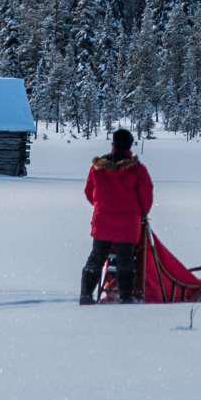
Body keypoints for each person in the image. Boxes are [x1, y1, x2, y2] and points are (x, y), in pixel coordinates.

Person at [81, 128, 154, 304]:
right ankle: (125, 296)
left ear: (113, 144)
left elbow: (89, 192)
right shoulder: (137, 170)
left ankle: (85, 295)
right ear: (130, 145)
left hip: (103, 222)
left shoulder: (98, 168)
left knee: (96, 258)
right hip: (128, 225)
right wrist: (141, 213)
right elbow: (146, 196)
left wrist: (103, 207)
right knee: (125, 261)